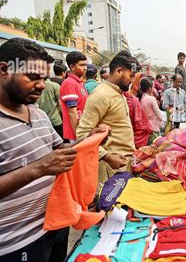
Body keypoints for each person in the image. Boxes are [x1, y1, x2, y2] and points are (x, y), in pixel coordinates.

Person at [0, 37, 106, 262]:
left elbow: (60, 152)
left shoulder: (38, 114)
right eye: (33, 77)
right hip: (14, 248)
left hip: (55, 226)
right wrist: (38, 168)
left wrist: (89, 141)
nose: (42, 85)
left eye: (44, 79)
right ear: (4, 70)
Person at [76, 50, 137, 188]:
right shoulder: (101, 95)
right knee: (111, 207)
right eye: (131, 76)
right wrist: (106, 156)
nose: (132, 81)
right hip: (111, 168)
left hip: (124, 164)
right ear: (119, 71)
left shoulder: (118, 92)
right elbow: (82, 134)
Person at [60, 51, 88, 142]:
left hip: (82, 131)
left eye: (86, 65)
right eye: (82, 65)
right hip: (75, 134)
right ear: (72, 67)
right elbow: (72, 112)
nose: (85, 68)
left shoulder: (78, 83)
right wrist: (79, 135)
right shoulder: (69, 84)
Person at [139, 77, 165, 145]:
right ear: (150, 88)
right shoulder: (151, 99)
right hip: (153, 127)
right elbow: (159, 115)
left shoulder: (140, 98)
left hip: (144, 127)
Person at [38, 73, 63, 138]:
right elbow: (60, 103)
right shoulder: (55, 86)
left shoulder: (33, 86)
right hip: (55, 120)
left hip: (40, 122)